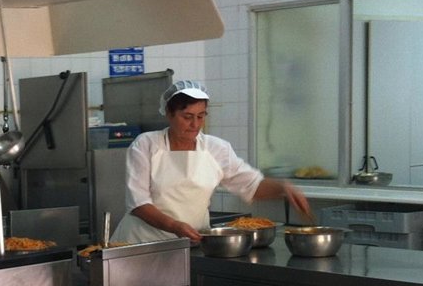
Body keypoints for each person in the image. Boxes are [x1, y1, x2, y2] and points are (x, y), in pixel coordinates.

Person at [112, 79, 311, 244]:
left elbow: (251, 185)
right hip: (142, 242)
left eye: (201, 116)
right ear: (169, 114)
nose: (195, 124)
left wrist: (284, 188)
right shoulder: (146, 144)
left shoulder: (216, 148)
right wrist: (174, 226)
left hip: (192, 242)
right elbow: (138, 203)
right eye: (187, 117)